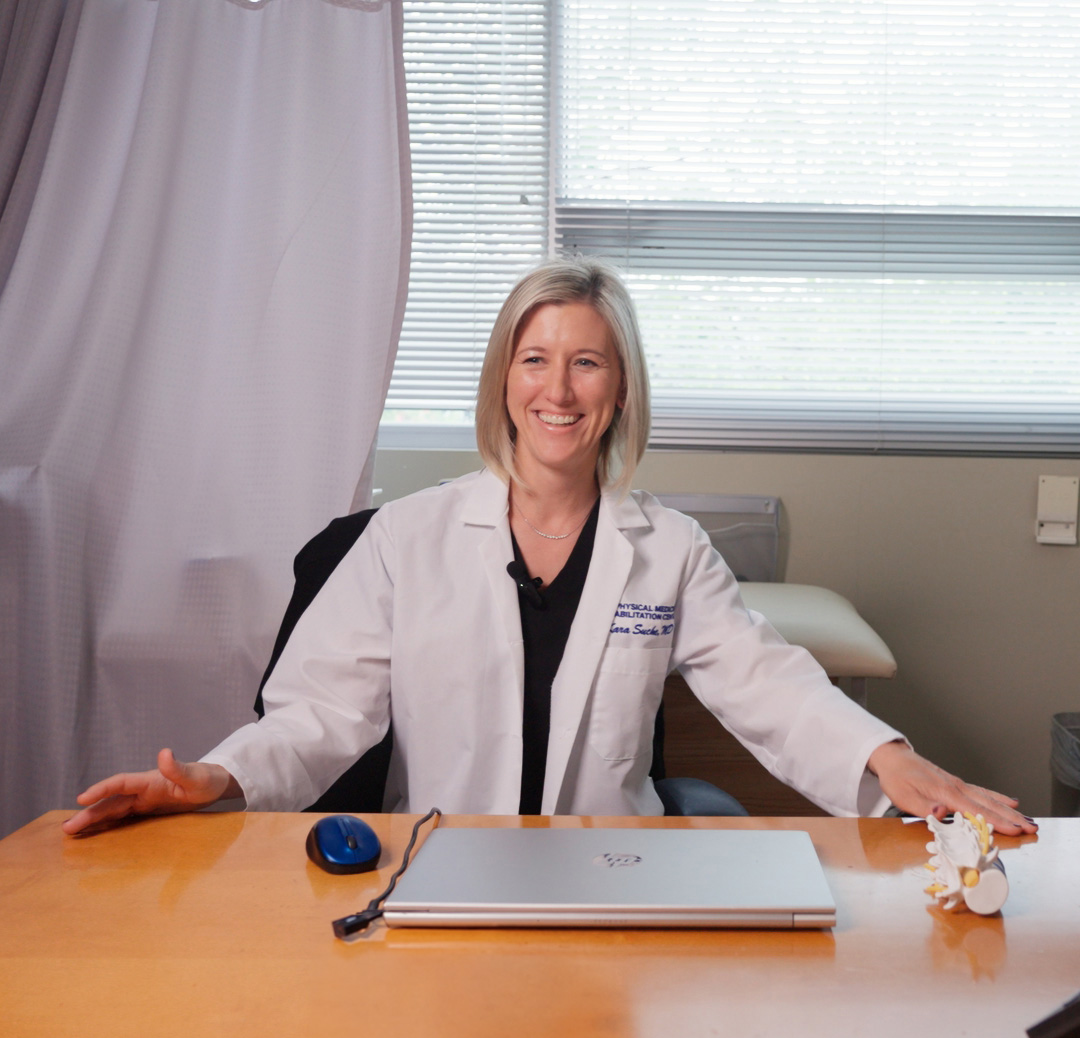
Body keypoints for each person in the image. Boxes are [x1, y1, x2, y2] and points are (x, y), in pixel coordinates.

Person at [63, 259, 1036, 837]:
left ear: (618, 388)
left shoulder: (670, 549)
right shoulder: (409, 536)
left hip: (614, 867)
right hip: (436, 863)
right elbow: (320, 711)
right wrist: (218, 777)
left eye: (586, 362)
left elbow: (767, 684)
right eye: (535, 360)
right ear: (503, 381)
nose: (557, 391)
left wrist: (892, 759)